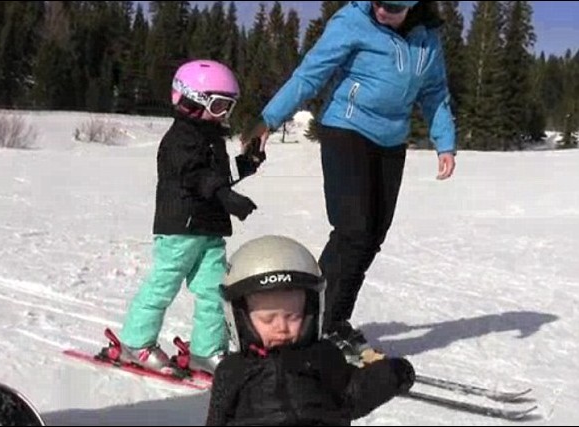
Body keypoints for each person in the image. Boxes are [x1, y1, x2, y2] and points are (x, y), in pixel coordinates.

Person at [241, 1, 457, 359]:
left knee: (373, 235)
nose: (381, 9)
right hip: (347, 129)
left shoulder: (427, 38)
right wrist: (268, 120)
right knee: (353, 230)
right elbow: (309, 74)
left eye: (391, 5)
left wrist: (444, 142)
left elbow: (435, 92)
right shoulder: (352, 21)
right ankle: (318, 323)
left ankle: (333, 319)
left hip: (391, 141)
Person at [108, 59, 258, 375]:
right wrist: (225, 196)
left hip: (209, 228)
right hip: (181, 228)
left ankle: (207, 349)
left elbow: (218, 175)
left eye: (228, 107)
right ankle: (136, 342)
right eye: (217, 106)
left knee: (216, 291)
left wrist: (246, 164)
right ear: (189, 101)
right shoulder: (180, 138)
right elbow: (195, 175)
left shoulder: (211, 137)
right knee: (163, 285)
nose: (224, 115)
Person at [206, 235, 415, 426]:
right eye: (267, 319)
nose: (281, 328)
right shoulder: (233, 371)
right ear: (240, 319)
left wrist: (391, 375)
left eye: (293, 317)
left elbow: (352, 393)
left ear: (311, 313)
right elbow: (217, 420)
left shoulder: (324, 356)